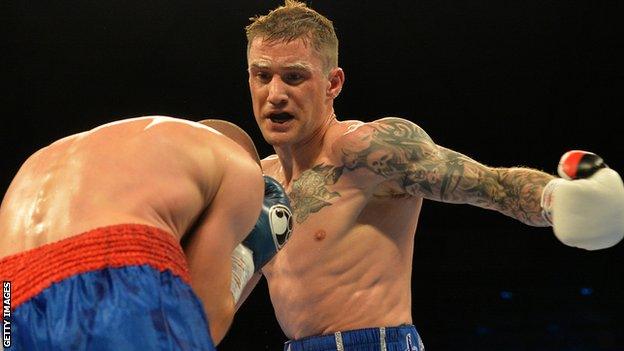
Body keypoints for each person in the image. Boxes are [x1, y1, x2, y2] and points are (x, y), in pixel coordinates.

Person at [240, 1, 624, 350]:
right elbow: (220, 297)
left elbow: (491, 184)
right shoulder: (256, 184)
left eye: (293, 77)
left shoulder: (367, 151)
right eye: (262, 76)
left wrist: (558, 200)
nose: (275, 94)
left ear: (333, 83)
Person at [0, 116, 293, 350]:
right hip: (113, 272)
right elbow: (201, 323)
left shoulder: (114, 150)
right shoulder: (241, 168)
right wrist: (246, 255)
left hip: (9, 299)